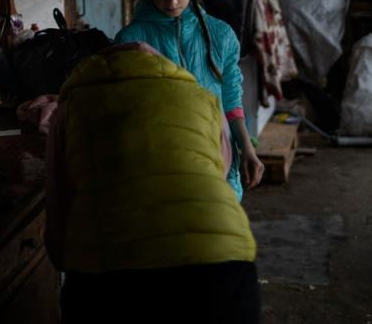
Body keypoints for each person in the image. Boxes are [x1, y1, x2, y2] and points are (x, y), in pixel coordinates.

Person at [45, 43, 259, 322]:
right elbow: (219, 174)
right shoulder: (203, 98)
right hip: (220, 261)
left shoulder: (70, 107)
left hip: (110, 272)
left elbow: (58, 217)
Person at [115, 0, 264, 200]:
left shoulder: (221, 36)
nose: (172, 1)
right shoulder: (131, 41)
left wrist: (247, 149)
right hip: (159, 170)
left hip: (218, 162)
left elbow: (231, 101)